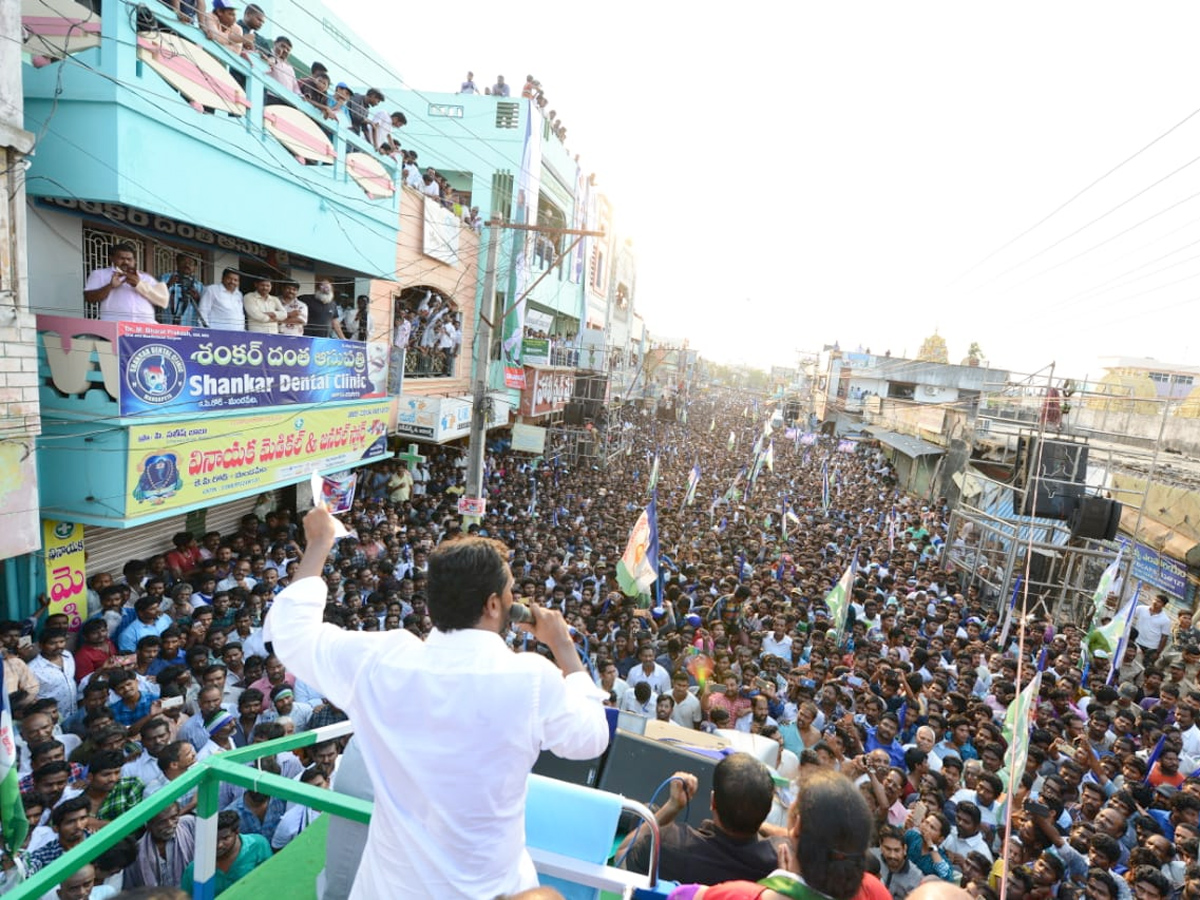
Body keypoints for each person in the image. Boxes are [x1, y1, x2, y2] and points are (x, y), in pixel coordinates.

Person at [266, 506, 610, 898]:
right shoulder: (531, 678)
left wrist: (319, 543)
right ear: (495, 605)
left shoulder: (380, 662)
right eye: (510, 589)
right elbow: (592, 738)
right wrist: (563, 646)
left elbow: (291, 634)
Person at [665, 768, 881, 900]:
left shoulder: (740, 895)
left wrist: (785, 882)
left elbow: (679, 896)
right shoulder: (875, 890)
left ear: (796, 828)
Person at [621, 754, 780, 885]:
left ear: (713, 801)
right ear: (767, 811)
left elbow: (622, 855)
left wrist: (672, 806)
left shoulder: (668, 843)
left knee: (647, 814)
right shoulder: (781, 861)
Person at [180, 810, 271, 895]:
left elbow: (270, 880)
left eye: (225, 838)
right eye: (213, 839)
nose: (219, 845)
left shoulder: (258, 846)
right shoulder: (194, 870)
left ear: (236, 832)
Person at [84, 243, 168, 323]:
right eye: (121, 258)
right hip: (115, 326)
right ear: (111, 258)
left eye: (129, 259)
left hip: (145, 328)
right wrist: (110, 286)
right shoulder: (100, 274)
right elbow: (89, 298)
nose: (126, 262)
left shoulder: (146, 278)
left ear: (134, 260)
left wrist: (139, 285)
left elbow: (163, 302)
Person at [160, 254, 203, 326]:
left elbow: (205, 308)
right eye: (183, 261)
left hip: (190, 327)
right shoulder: (165, 278)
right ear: (177, 263)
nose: (187, 264)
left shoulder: (199, 286)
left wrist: (198, 299)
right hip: (168, 325)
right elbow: (155, 297)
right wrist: (168, 285)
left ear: (195, 268)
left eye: (190, 263)